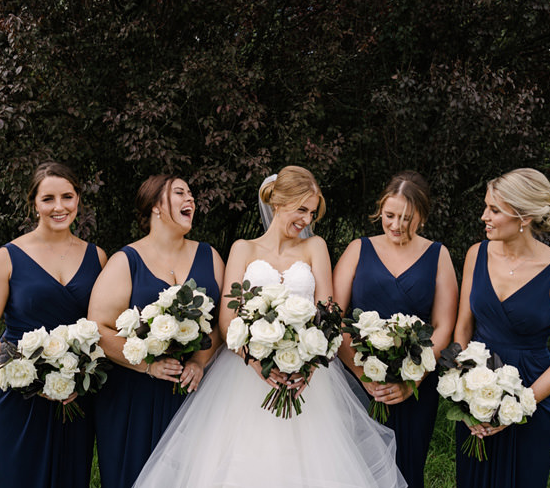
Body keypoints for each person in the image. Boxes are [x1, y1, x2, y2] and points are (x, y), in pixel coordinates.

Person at [132, 165, 407, 488]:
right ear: (277, 202)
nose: (306, 219)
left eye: (312, 213)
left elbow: (327, 312)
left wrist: (307, 368)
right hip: (245, 375)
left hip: (307, 380)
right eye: (301, 209)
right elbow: (228, 318)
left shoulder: (314, 247)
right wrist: (257, 363)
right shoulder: (243, 249)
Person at [0, 162, 107, 487]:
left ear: (78, 200)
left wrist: (78, 373)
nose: (59, 207)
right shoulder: (8, 256)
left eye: (67, 197)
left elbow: (102, 325)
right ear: (34, 204)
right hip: (20, 395)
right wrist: (31, 378)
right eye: (48, 199)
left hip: (74, 390)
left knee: (72, 474)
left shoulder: (97, 257)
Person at [89, 175, 224, 488]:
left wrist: (199, 362)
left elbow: (222, 324)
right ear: (155, 207)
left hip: (194, 393)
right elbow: (97, 327)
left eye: (191, 194)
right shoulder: (127, 260)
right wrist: (147, 365)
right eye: (179, 193)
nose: (190, 199)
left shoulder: (210, 255)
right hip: (133, 398)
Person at [453, 168, 550, 488]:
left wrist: (514, 407)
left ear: (523, 216)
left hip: (532, 395)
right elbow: (462, 330)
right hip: (478, 389)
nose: (484, 216)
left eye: (494, 210)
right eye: (486, 207)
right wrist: (467, 387)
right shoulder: (475, 254)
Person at [333, 171, 458, 488]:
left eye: (406, 218)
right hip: (357, 384)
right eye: (389, 215)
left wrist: (412, 379)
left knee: (408, 467)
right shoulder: (358, 249)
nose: (396, 225)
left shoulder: (437, 255)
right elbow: (334, 315)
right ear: (380, 210)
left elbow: (445, 325)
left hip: (416, 386)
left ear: (422, 216)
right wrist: (364, 376)